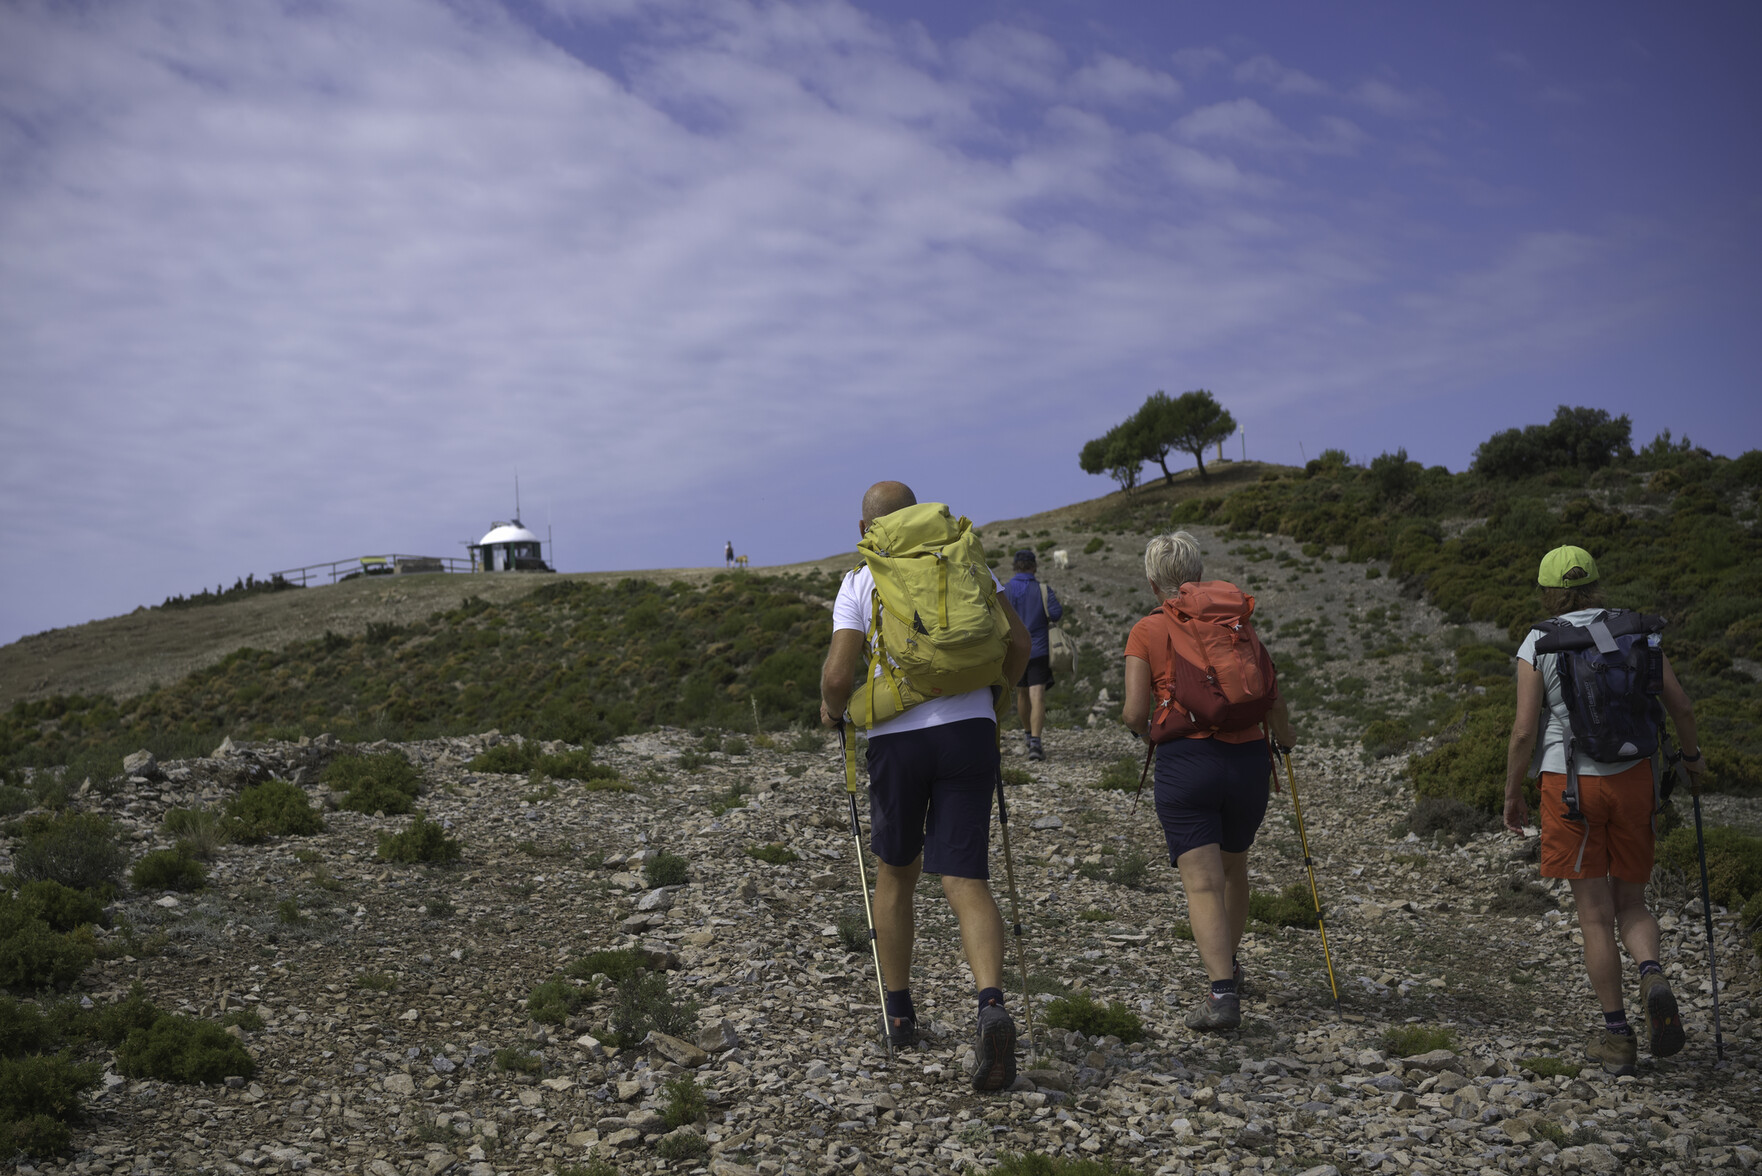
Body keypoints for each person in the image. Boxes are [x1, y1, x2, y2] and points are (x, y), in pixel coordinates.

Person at [820, 480, 1032, 1090]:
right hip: (970, 731)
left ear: (867, 531)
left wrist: (833, 710)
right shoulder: (966, 561)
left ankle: (900, 1013)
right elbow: (1018, 643)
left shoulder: (862, 578)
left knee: (896, 873)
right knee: (966, 878)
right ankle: (990, 1004)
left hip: (898, 741)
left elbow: (838, 674)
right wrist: (996, 699)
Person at [1503, 544, 1705, 1076]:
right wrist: (1692, 760)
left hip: (1570, 786)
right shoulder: (1635, 630)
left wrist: (1510, 792)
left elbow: (1525, 729)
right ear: (1595, 582)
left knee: (1594, 914)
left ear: (1548, 589)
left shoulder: (1539, 640)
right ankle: (1653, 972)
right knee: (1632, 901)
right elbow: (1680, 705)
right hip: (1635, 779)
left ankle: (1618, 1036)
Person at [1121, 531, 1296, 1031]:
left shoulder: (1146, 630)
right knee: (1234, 870)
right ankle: (1231, 967)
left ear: (1153, 582)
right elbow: (1272, 695)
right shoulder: (1236, 623)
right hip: (1248, 764)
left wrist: (1148, 724)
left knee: (1202, 883)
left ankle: (1221, 994)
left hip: (1186, 765)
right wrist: (1286, 739)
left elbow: (1135, 712)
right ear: (1198, 573)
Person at [1004, 549, 1063, 762]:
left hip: (1015, 651)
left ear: (1014, 566)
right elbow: (1056, 613)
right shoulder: (1044, 590)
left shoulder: (1006, 590)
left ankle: (1028, 734)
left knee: (1021, 694)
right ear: (1034, 567)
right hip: (1039, 649)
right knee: (1037, 695)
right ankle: (1036, 744)